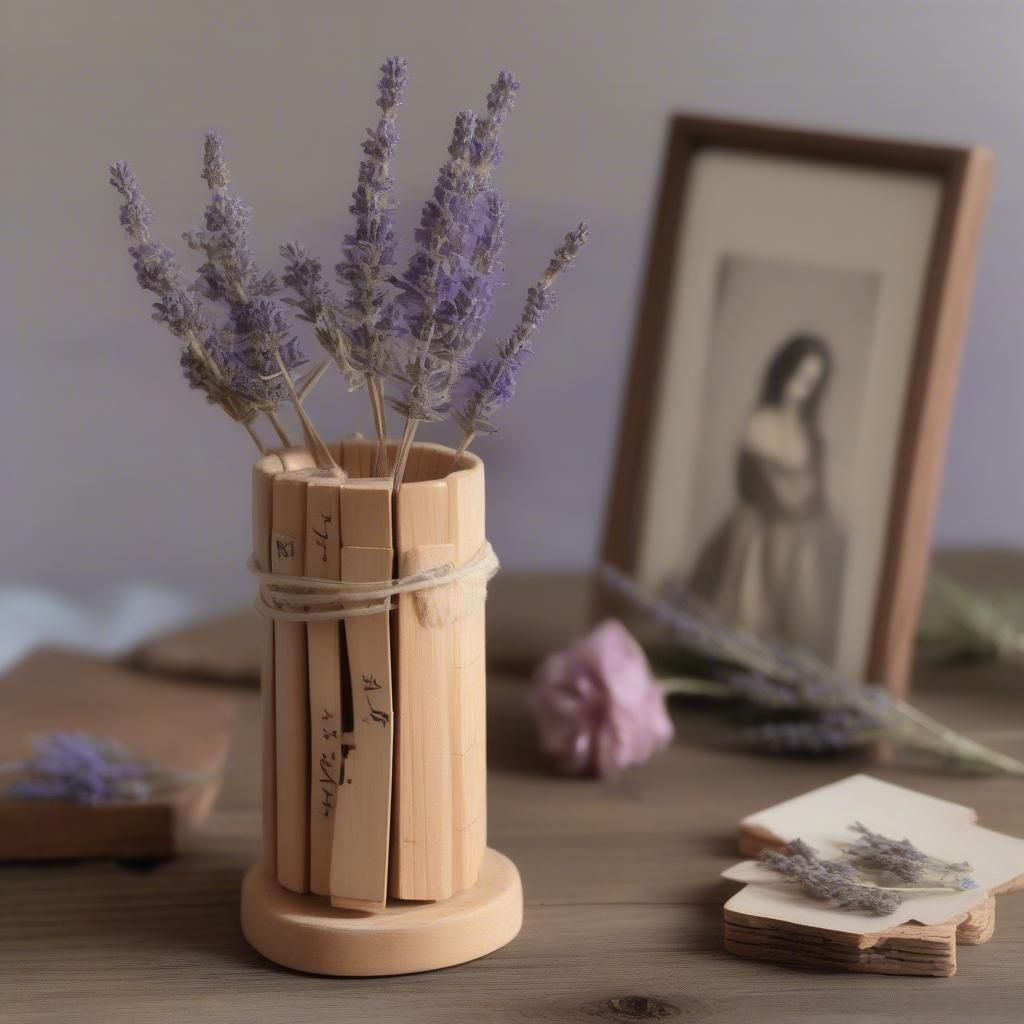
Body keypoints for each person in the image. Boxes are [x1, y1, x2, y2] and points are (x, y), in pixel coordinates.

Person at [688, 333, 844, 660]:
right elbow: (773, 490)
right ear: (784, 373)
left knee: (800, 618)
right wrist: (801, 498)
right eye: (799, 378)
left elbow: (814, 491)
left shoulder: (805, 430)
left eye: (811, 383)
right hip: (759, 535)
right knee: (748, 609)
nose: (802, 389)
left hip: (798, 540)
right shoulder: (760, 424)